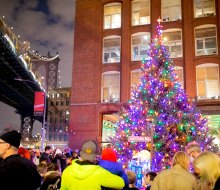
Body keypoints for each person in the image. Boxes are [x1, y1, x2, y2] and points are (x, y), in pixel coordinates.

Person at [61, 140, 125, 190]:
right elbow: (121, 183)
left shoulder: (67, 171)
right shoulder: (100, 172)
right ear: (94, 157)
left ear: (81, 154)